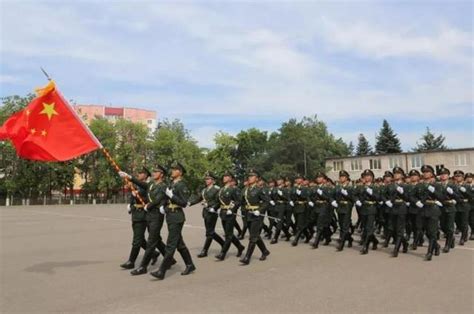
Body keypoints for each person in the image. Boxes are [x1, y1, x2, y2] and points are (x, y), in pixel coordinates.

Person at [119, 165, 175, 275]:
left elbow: (159, 199)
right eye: (153, 171)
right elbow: (141, 184)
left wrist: (148, 205)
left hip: (156, 215)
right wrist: (128, 176)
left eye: (156, 172)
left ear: (162, 174)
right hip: (149, 215)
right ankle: (170, 260)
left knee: (151, 242)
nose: (153, 173)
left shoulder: (163, 186)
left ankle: (143, 267)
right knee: (155, 240)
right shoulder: (152, 184)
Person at [150, 162, 196, 280]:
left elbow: (184, 203)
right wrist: (163, 206)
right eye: (172, 169)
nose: (172, 171)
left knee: (171, 245)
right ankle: (190, 265)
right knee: (179, 244)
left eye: (175, 170)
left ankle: (162, 271)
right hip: (170, 215)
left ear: (180, 172)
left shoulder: (182, 185)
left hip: (177, 216)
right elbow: (166, 198)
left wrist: (172, 196)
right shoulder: (171, 183)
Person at [119, 167, 159, 271]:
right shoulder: (138, 184)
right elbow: (133, 198)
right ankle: (154, 253)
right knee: (140, 240)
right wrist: (131, 206)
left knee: (137, 240)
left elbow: (148, 199)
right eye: (138, 173)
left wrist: (129, 177)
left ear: (146, 175)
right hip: (136, 214)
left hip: (142, 214)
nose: (139, 174)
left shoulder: (148, 185)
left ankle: (131, 262)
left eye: (141, 173)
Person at [189, 172, 224, 258]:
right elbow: (199, 198)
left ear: (213, 181)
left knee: (210, 232)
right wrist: (190, 203)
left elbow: (219, 201)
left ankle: (205, 250)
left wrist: (214, 208)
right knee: (210, 232)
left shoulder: (217, 189)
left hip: (212, 212)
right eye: (206, 179)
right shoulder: (204, 190)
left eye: (208, 179)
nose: (206, 181)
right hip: (206, 213)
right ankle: (223, 244)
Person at [239, 169, 270, 265]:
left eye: (252, 176)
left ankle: (247, 257)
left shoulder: (260, 189)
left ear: (257, 179)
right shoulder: (245, 190)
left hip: (256, 215)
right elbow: (241, 201)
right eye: (249, 176)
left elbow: (266, 202)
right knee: (255, 235)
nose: (250, 178)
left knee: (252, 237)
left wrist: (259, 210)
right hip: (248, 214)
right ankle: (265, 251)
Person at [215, 171, 245, 260]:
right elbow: (218, 202)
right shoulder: (221, 189)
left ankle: (223, 253)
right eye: (224, 176)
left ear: (230, 178)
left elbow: (238, 201)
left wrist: (231, 209)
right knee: (229, 234)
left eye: (226, 176)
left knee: (228, 235)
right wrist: (213, 208)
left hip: (230, 214)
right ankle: (240, 246)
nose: (224, 177)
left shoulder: (234, 189)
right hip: (223, 213)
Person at [383, 167, 409, 257]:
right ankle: (405, 243)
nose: (396, 175)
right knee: (393, 229)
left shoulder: (405, 186)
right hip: (392, 208)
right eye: (395, 174)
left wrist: (402, 193)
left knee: (399, 229)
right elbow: (383, 195)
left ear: (401, 175)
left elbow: (408, 198)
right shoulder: (390, 186)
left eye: (398, 174)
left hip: (401, 208)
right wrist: (386, 201)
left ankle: (396, 249)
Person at [356, 169, 380, 255]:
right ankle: (375, 241)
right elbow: (355, 195)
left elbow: (378, 198)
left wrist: (372, 193)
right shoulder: (361, 187)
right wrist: (357, 201)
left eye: (369, 176)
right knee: (365, 228)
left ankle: (365, 247)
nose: (367, 178)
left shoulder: (375, 187)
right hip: (363, 209)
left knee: (369, 228)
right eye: (366, 176)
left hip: (371, 208)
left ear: (372, 178)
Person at [438, 168, 461, 253]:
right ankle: (452, 237)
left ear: (448, 176)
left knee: (450, 227)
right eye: (441, 174)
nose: (443, 175)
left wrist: (452, 193)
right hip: (441, 207)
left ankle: (447, 245)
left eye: (445, 174)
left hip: (450, 207)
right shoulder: (438, 185)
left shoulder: (453, 185)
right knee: (442, 226)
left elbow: (458, 197)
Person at [334, 170, 354, 251]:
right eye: (340, 177)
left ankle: (341, 244)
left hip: (346, 208)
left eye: (343, 177)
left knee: (345, 226)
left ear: (346, 178)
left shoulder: (350, 188)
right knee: (342, 226)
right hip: (339, 208)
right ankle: (349, 239)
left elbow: (353, 199)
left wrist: (347, 194)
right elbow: (335, 196)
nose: (341, 178)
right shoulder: (338, 187)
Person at [291, 174, 311, 246]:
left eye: (299, 178)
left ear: (302, 180)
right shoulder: (294, 188)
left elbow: (306, 197)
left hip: (302, 207)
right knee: (299, 223)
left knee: (300, 224)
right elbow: (291, 196)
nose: (298, 180)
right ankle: (308, 235)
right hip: (296, 207)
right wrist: (291, 200)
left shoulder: (305, 188)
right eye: (297, 179)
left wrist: (300, 194)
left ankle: (296, 239)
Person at [270, 176, 292, 244]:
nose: (278, 181)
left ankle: (275, 238)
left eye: (280, 180)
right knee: (278, 222)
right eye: (277, 180)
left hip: (282, 206)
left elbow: (288, 198)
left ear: (282, 181)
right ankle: (288, 234)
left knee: (279, 222)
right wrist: (271, 200)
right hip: (276, 206)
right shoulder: (274, 189)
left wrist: (282, 195)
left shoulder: (285, 189)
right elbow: (271, 197)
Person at [453, 170, 470, 245]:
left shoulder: (467, 186)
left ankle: (463, 236)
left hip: (464, 205)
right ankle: (464, 232)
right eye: (456, 176)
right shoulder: (453, 186)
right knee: (457, 222)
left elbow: (471, 196)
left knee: (464, 222)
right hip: (456, 205)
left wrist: (465, 192)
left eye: (459, 176)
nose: (457, 177)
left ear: (463, 177)